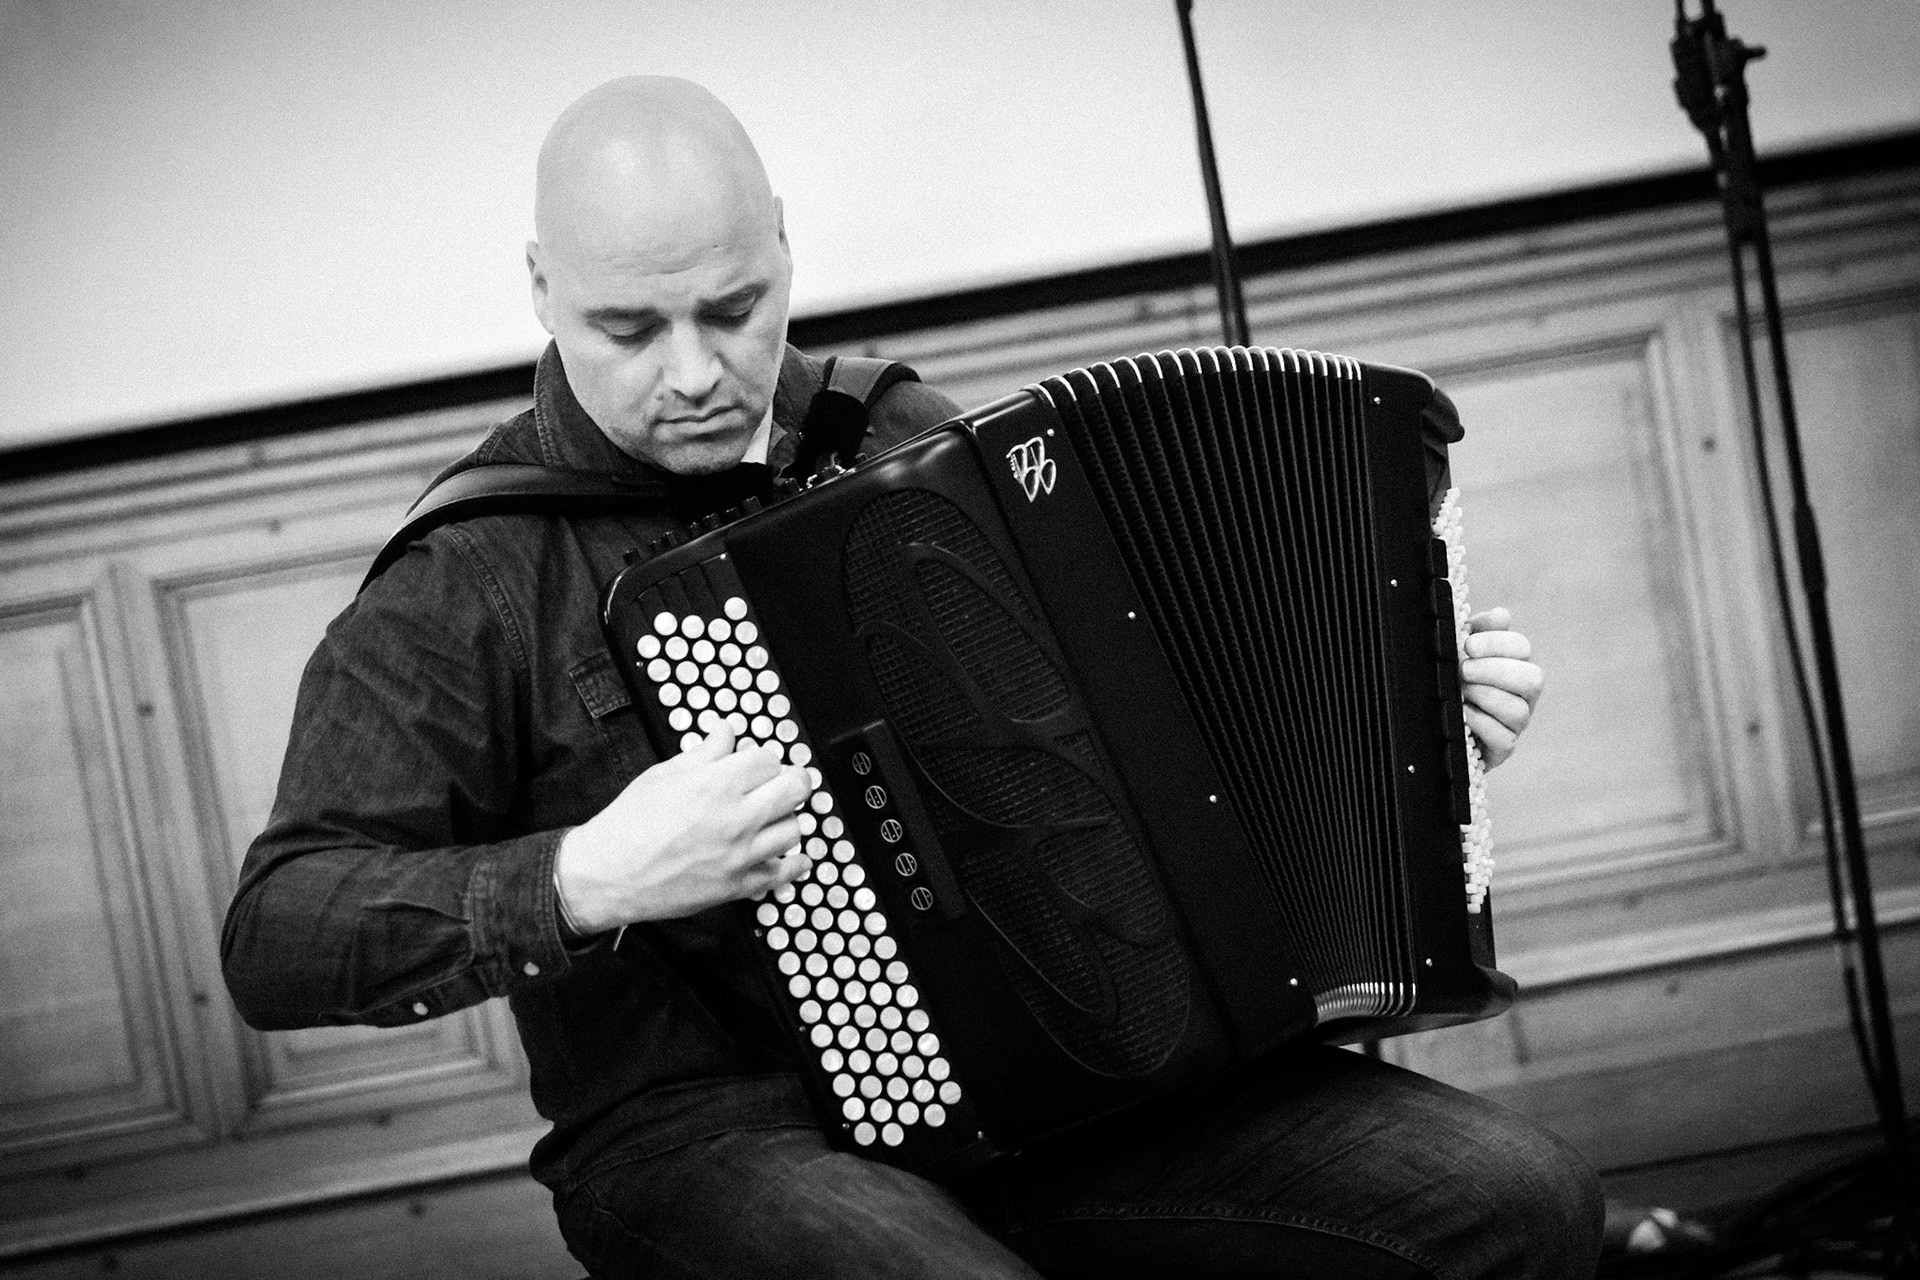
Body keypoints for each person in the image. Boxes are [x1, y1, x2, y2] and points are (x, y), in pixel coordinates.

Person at [223, 76, 1599, 1279]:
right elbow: (279, 933)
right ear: (539, 291)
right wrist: (587, 878)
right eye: (631, 330)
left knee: (1522, 1207)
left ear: (784, 251)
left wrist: (1402, 724)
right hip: (716, 1134)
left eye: (734, 308)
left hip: (1066, 1073)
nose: (696, 372)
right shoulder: (467, 576)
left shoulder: (903, 444)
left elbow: (1146, 746)